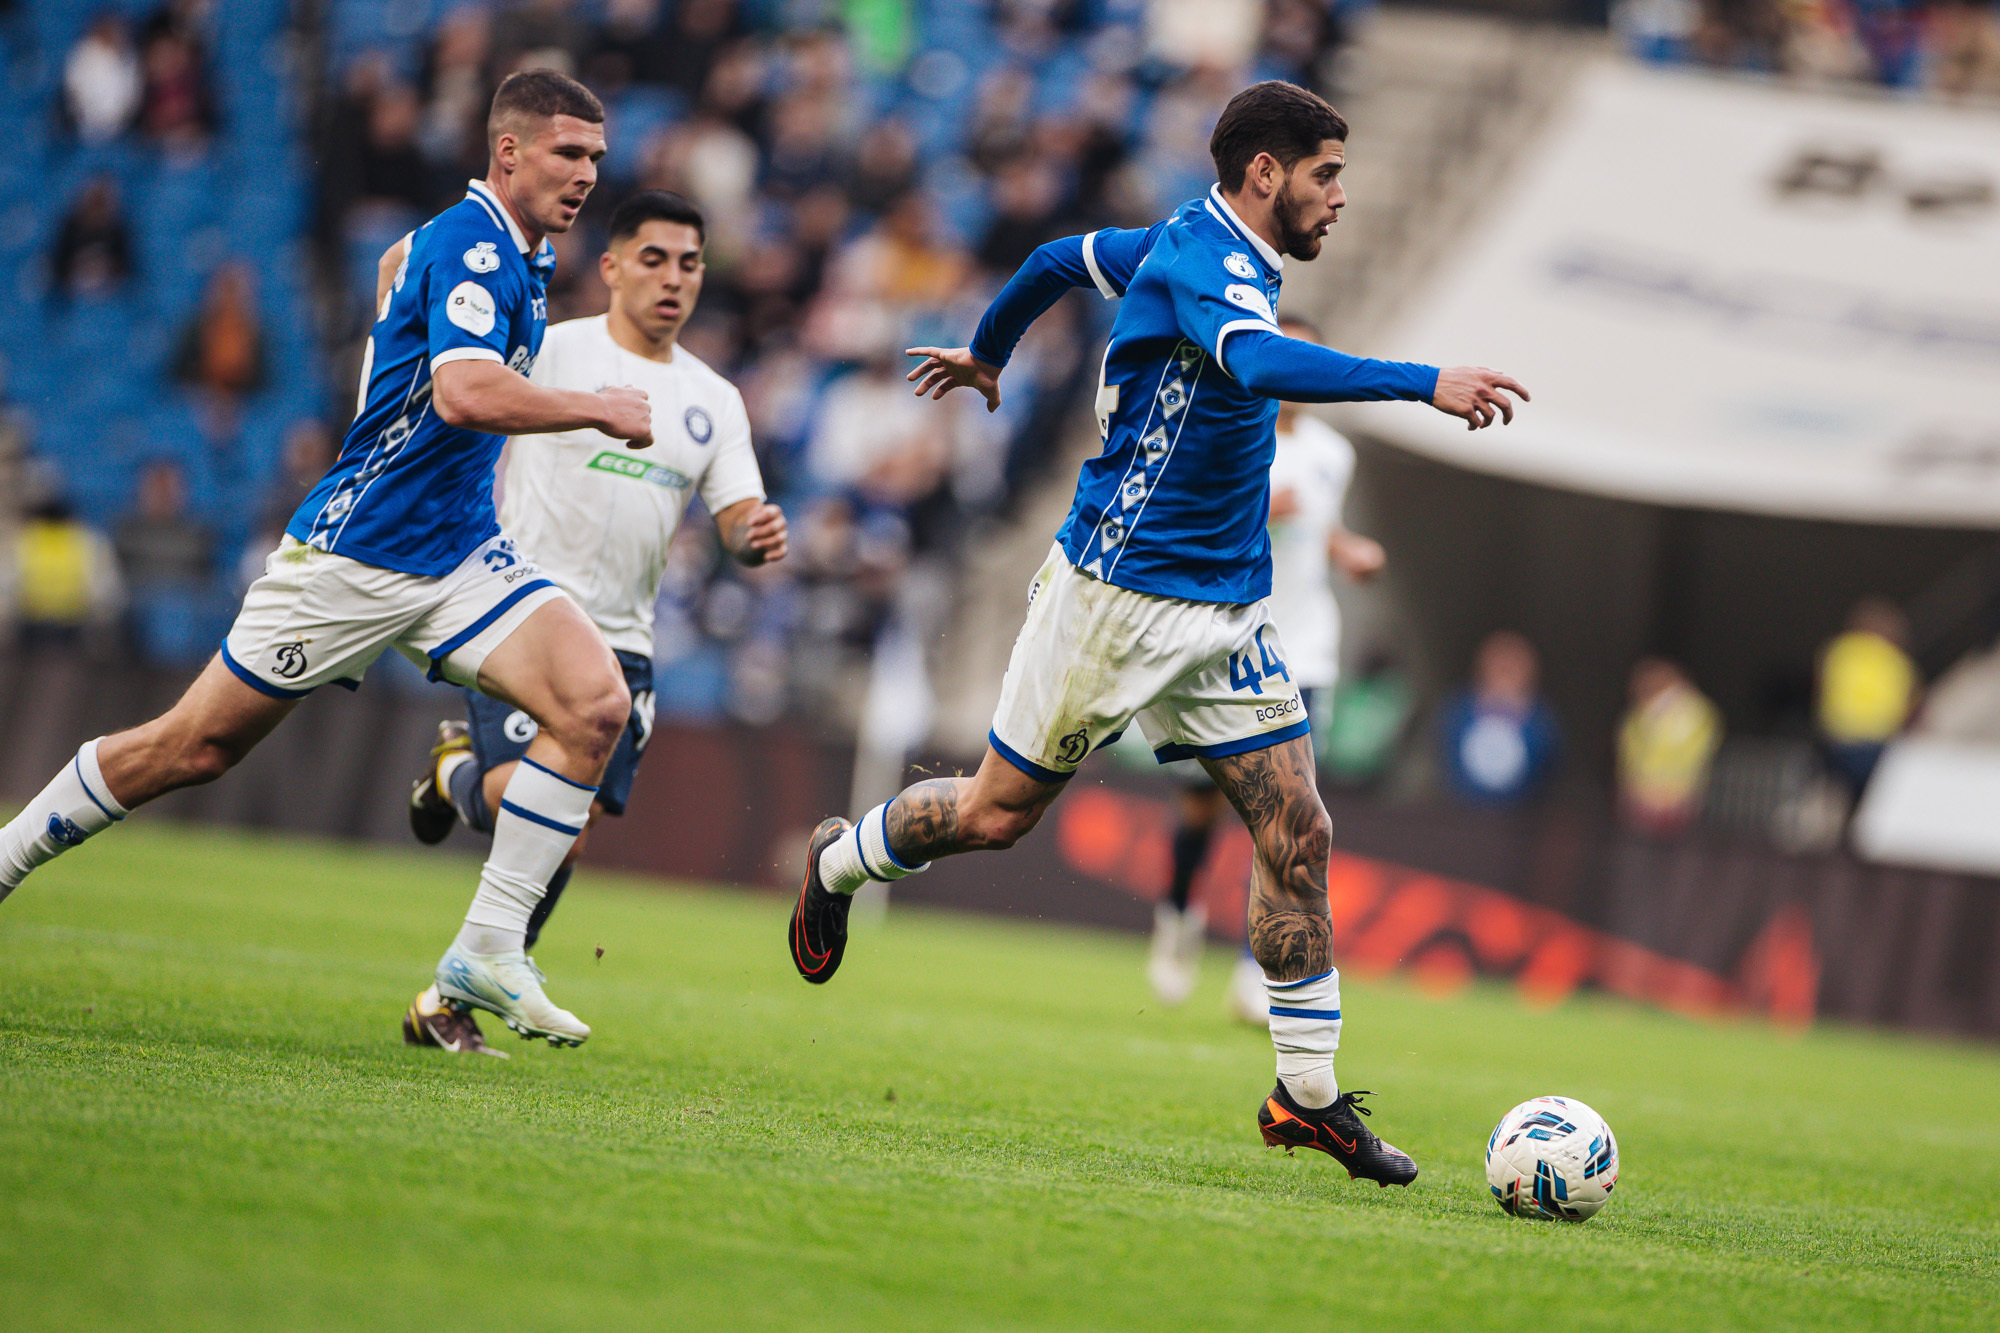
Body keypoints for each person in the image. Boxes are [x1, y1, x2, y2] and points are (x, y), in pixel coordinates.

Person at [792, 81, 1529, 1187]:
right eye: (1326, 175)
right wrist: (1423, 381)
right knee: (995, 815)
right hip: (1114, 597)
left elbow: (1051, 263)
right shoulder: (1207, 267)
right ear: (1266, 175)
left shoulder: (1181, 243)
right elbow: (1261, 363)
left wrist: (987, 354)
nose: (1341, 196)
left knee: (1300, 829)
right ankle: (840, 861)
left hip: (1226, 604)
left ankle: (1307, 1097)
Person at [0, 70, 654, 1051]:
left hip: (459, 550)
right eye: (569, 153)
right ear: (507, 151)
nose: (587, 174)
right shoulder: (472, 243)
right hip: (356, 555)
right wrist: (598, 405)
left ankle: (485, 948)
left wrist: (390, 326)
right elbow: (466, 395)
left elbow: (398, 262)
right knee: (193, 748)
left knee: (594, 704)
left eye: (597, 158)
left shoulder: (518, 248)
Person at [400, 189, 788, 1054]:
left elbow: (736, 520)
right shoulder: (550, 350)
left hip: (628, 643)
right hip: (524, 614)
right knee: (546, 816)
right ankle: (459, 777)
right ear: (611, 267)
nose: (673, 280)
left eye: (689, 264)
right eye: (653, 259)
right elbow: (457, 390)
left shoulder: (714, 398)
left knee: (569, 837)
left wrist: (755, 538)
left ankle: (448, 995)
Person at [1145, 314, 1385, 1024]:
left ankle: (1257, 972)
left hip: (1303, 650)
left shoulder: (1332, 453)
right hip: (1224, 644)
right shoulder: (1225, 433)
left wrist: (1346, 549)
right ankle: (1178, 910)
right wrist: (1255, 510)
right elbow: (1184, 520)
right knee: (1199, 806)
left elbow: (1319, 524)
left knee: (1282, 813)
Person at [1439, 630, 1558, 806]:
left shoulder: (1542, 722)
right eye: (1500, 667)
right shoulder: (1457, 714)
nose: (1505, 675)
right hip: (1464, 816)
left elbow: (1551, 768)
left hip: (1524, 819)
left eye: (1513, 668)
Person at [1817, 596, 1919, 796]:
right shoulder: (1896, 661)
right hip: (1875, 741)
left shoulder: (1837, 651)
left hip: (1838, 739)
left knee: (1843, 787)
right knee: (1872, 792)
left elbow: (1821, 684)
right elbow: (1908, 705)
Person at [1615, 657, 1721, 836]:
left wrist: (1667, 791)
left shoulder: (1693, 712)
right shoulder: (1638, 715)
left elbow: (1690, 754)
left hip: (1676, 800)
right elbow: (1628, 751)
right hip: (1639, 799)